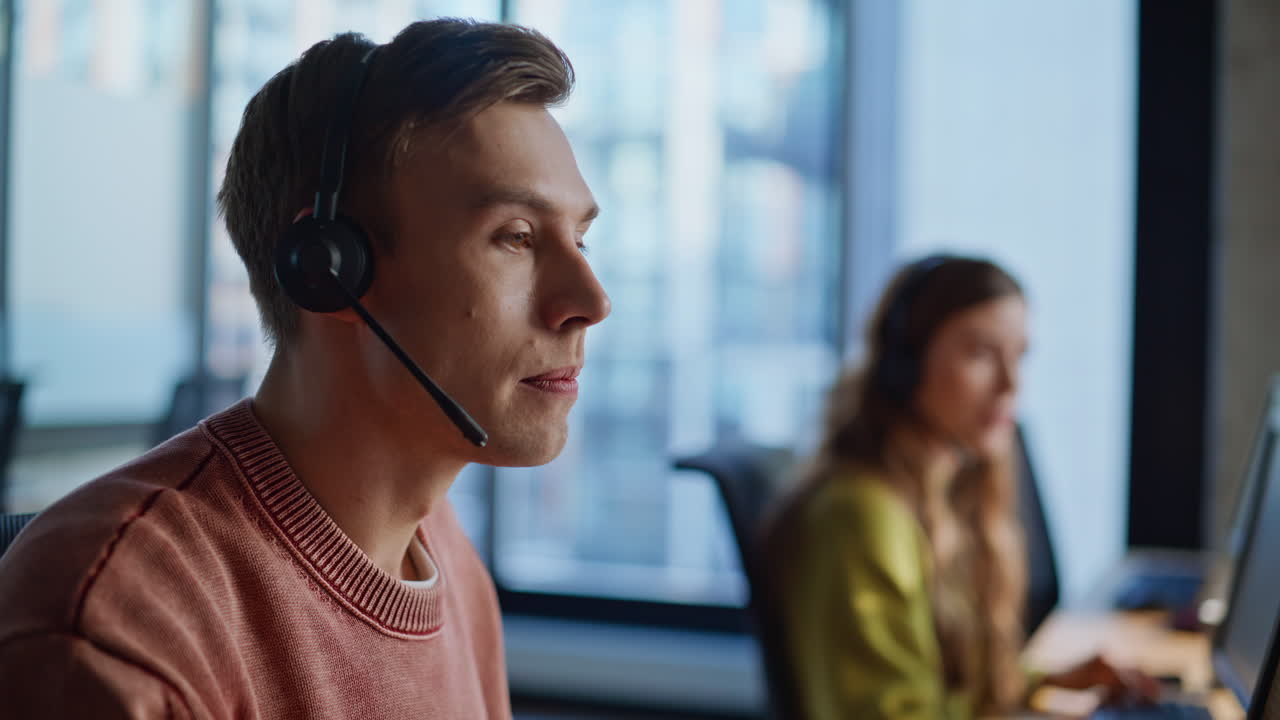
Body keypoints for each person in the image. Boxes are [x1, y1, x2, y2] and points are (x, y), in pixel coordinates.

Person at [0, 18, 609, 718]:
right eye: (518, 238)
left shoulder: (450, 564)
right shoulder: (117, 630)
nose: (590, 301)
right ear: (329, 271)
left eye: (582, 239)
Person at [764, 255, 1155, 719]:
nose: (1011, 385)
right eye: (981, 354)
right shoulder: (864, 516)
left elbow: (932, 687)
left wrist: (1039, 680)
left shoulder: (947, 488)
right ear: (904, 363)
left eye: (1019, 356)